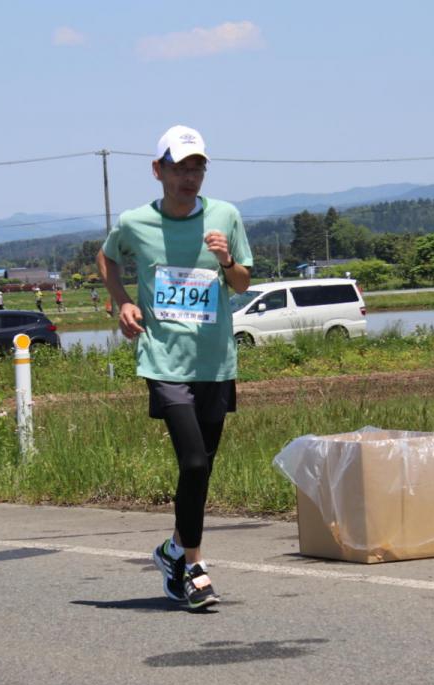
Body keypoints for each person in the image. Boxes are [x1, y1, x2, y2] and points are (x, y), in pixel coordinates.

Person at [97, 124, 253, 611]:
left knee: (201, 471)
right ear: (158, 170)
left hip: (215, 361)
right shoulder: (135, 222)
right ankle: (196, 568)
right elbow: (106, 260)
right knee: (193, 462)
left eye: (198, 167)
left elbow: (244, 283)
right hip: (163, 360)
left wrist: (227, 261)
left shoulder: (225, 216)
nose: (191, 177)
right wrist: (122, 302)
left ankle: (172, 553)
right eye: (181, 167)